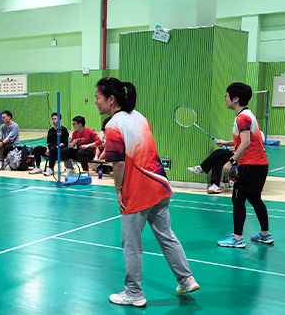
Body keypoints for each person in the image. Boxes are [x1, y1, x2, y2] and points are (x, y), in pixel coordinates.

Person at [95, 77, 198, 307]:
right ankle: (186, 279)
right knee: (166, 235)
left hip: (138, 190)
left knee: (131, 243)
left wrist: (119, 190)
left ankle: (134, 292)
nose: (96, 102)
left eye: (97, 97)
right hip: (159, 185)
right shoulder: (139, 117)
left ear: (111, 99)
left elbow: (118, 164)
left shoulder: (113, 125)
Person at [217, 82, 273, 248]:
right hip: (260, 164)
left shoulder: (242, 117)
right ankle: (265, 234)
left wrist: (231, 161)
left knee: (238, 199)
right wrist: (227, 143)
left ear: (235, 99)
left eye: (227, 96)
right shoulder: (248, 115)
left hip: (250, 165)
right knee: (255, 199)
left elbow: (246, 143)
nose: (225, 98)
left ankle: (237, 238)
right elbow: (249, 140)